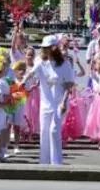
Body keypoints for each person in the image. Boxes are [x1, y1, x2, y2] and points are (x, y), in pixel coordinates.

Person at [28, 35, 75, 165]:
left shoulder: (64, 64)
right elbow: (31, 73)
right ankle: (44, 161)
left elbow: (69, 84)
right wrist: (22, 82)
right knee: (44, 131)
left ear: (54, 48)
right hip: (45, 103)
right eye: (44, 48)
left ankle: (56, 162)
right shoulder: (41, 63)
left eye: (47, 48)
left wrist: (64, 101)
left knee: (54, 131)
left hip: (58, 104)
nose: (44, 50)